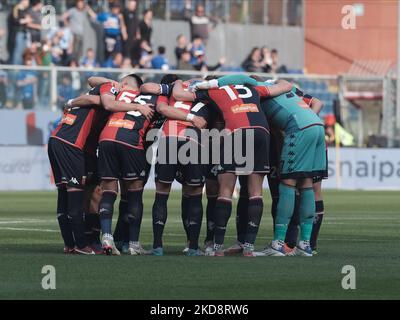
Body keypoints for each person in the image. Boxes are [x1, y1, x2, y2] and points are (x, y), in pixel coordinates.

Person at [174, 77, 292, 257]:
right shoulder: (254, 89)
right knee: (255, 192)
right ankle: (249, 249)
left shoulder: (216, 91)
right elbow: (286, 86)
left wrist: (183, 83)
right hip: (261, 132)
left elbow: (179, 94)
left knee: (226, 190)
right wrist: (272, 80)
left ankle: (217, 247)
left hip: (236, 132)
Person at [93, 74, 206, 255]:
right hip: (138, 144)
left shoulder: (127, 93)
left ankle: (117, 238)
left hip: (117, 139)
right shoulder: (170, 98)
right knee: (137, 193)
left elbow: (95, 86)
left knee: (119, 193)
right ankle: (134, 243)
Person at [48, 78, 153, 255]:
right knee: (74, 193)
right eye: (121, 82)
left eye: (124, 82)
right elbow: (97, 95)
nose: (121, 84)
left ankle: (81, 242)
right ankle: (81, 245)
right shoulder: (111, 90)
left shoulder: (117, 95)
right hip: (72, 143)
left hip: (77, 146)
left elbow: (93, 90)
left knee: (95, 191)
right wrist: (71, 101)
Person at [141, 75, 209, 256]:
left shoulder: (171, 90)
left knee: (162, 194)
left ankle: (157, 246)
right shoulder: (206, 91)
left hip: (169, 138)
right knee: (194, 195)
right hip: (193, 141)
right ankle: (193, 248)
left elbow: (161, 107)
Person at [10, 0, 31, 65]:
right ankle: (15, 71)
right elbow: (15, 20)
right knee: (17, 52)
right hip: (18, 33)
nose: (28, 3)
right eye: (27, 1)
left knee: (23, 52)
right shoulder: (16, 8)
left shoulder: (25, 10)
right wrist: (26, 20)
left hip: (24, 33)